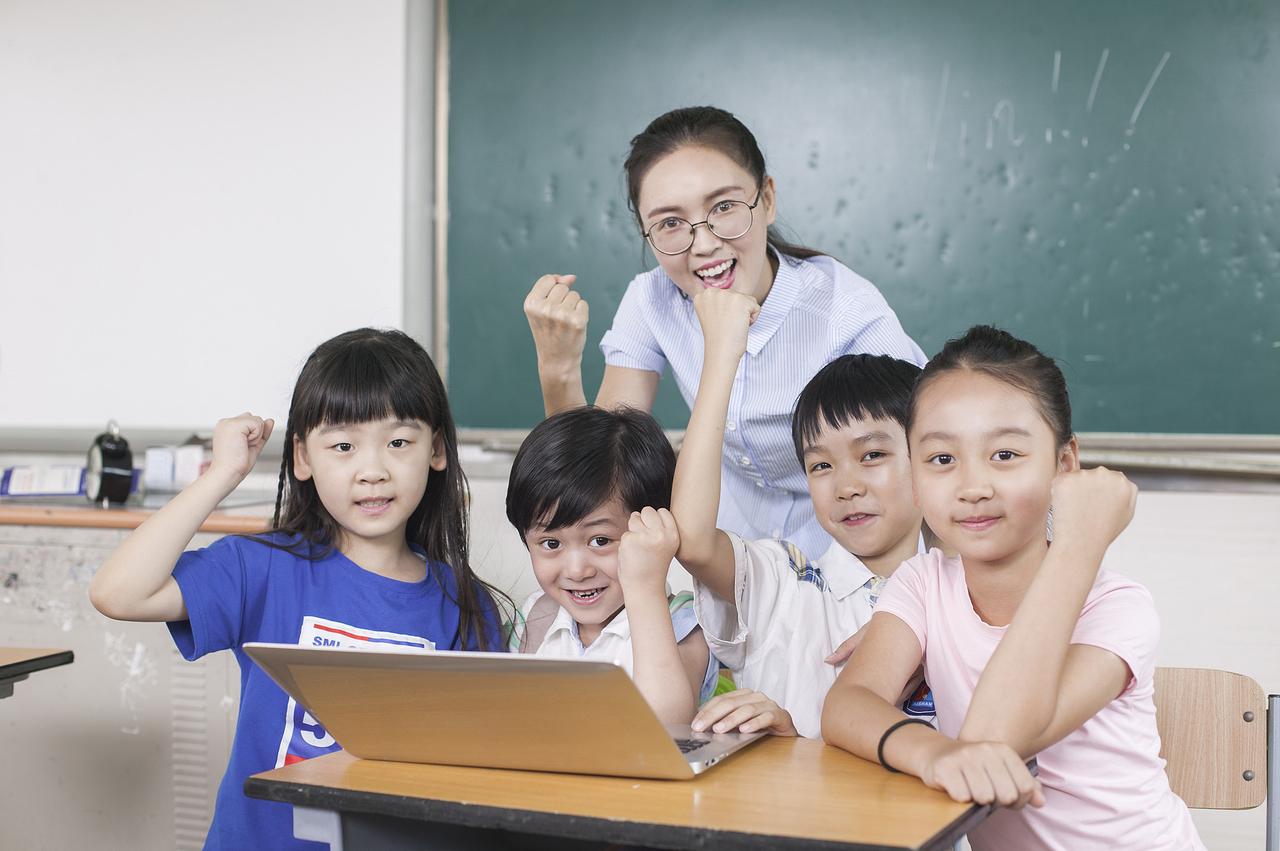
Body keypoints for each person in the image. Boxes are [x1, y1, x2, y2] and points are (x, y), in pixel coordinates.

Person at [89, 328, 507, 850]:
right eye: (343, 446)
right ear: (303, 459)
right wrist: (223, 473)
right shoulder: (263, 568)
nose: (372, 470)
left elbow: (476, 779)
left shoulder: (466, 606)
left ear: (437, 450)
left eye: (399, 442)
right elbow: (118, 593)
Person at [821, 325, 1204, 850]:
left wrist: (1078, 544)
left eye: (1005, 455)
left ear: (1063, 464)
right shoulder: (924, 582)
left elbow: (992, 739)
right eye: (941, 459)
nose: (973, 487)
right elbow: (848, 705)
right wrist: (933, 754)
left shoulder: (1116, 609)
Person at [524, 105, 924, 556]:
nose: (705, 243)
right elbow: (601, 480)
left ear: (767, 199)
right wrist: (558, 368)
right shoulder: (651, 298)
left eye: (725, 207)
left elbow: (925, 461)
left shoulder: (845, 309)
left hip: (852, 557)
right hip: (731, 560)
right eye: (670, 223)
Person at [669, 286, 929, 738]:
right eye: (821, 465)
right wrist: (722, 358)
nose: (847, 487)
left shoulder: (968, 595)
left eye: (871, 456)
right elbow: (691, 540)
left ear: (929, 458)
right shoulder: (783, 582)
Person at [506, 406, 718, 722]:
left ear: (652, 528)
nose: (577, 570)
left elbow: (667, 724)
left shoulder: (684, 622)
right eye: (551, 544)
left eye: (601, 540)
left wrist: (645, 587)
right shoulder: (534, 618)